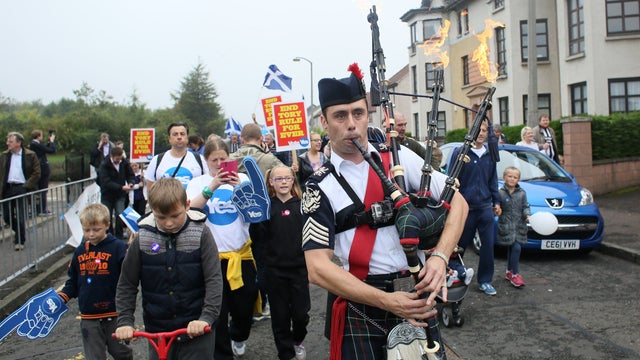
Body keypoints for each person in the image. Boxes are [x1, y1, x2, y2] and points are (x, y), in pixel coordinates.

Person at [302, 67, 468, 359]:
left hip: (417, 292)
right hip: (363, 301)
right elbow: (317, 268)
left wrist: (441, 258)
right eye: (340, 116)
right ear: (324, 123)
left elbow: (459, 203)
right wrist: (387, 301)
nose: (352, 124)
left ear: (369, 115)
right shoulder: (319, 187)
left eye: (358, 113)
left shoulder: (399, 157)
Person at [115, 177, 223, 359]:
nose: (169, 223)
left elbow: (213, 279)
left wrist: (206, 318)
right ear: (152, 211)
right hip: (158, 331)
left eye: (175, 215)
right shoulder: (143, 238)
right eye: (161, 217)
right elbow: (127, 283)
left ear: (187, 205)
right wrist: (125, 321)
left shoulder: (201, 233)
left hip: (196, 328)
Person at [186, 138, 259, 359]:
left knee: (243, 308)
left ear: (230, 158)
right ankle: (222, 353)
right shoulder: (198, 183)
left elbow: (256, 210)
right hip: (211, 258)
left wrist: (238, 186)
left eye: (223, 159)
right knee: (217, 311)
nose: (219, 163)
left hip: (242, 255)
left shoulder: (244, 178)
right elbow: (190, 211)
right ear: (206, 161)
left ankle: (239, 335)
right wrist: (214, 185)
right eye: (214, 160)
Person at [57, 203, 133, 360]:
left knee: (122, 353)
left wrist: (133, 250)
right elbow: (74, 281)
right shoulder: (79, 252)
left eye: (96, 230)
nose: (91, 234)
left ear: (107, 225)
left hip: (114, 314)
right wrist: (63, 296)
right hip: (89, 317)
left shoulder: (118, 248)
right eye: (86, 230)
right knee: (94, 357)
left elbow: (130, 275)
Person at [253, 165, 310, 360]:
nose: (284, 182)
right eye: (279, 179)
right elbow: (258, 239)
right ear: (271, 182)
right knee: (280, 317)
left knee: (301, 315)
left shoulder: (302, 205)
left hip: (300, 270)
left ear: (293, 180)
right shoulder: (267, 207)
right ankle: (285, 354)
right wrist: (256, 219)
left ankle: (297, 340)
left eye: (287, 178)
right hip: (274, 272)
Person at [229, 122, 284, 317]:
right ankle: (263, 302)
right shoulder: (269, 159)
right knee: (261, 261)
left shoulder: (229, 159)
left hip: (234, 218)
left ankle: (244, 306)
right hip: (261, 216)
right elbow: (284, 178)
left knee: (241, 262)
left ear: (241, 140)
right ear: (261, 140)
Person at [448, 120, 502, 296]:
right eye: (478, 130)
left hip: (485, 206)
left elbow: (492, 180)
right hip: (466, 208)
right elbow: (451, 179)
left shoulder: (490, 154)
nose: (481, 133)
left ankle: (485, 281)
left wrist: (497, 202)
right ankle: (455, 274)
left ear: (488, 133)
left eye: (484, 130)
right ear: (472, 131)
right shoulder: (460, 152)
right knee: (460, 244)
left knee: (488, 246)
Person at [0, 132, 40, 251]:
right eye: (7, 141)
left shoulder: (30, 155)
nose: (8, 143)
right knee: (7, 216)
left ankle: (20, 240)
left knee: (21, 215)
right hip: (7, 188)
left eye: (10, 141)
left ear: (19, 142)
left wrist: (26, 186)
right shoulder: (4, 155)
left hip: (22, 187)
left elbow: (37, 173)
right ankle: (20, 232)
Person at [145, 122, 208, 189]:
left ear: (187, 137)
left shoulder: (200, 159)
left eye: (182, 134)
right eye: (175, 134)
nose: (179, 137)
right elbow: (150, 189)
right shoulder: (157, 160)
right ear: (169, 138)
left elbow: (208, 183)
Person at [496, 166, 530, 288]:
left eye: (515, 177)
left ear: (518, 179)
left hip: (519, 225)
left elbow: (526, 206)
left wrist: (527, 215)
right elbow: (496, 205)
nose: (512, 179)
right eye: (510, 176)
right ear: (504, 177)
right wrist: (497, 209)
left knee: (516, 247)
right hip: (506, 225)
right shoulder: (500, 192)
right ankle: (511, 273)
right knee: (512, 247)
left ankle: (513, 273)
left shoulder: (522, 193)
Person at [98, 146, 135, 240]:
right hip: (107, 195)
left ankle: (119, 235)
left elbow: (130, 174)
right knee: (107, 216)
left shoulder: (124, 163)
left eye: (120, 158)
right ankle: (108, 235)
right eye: (117, 159)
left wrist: (131, 182)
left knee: (120, 214)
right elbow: (105, 181)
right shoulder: (104, 165)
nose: (119, 161)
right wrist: (121, 187)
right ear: (111, 156)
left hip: (120, 195)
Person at [29, 129, 57, 216]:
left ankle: (39, 208)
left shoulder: (35, 144)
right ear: (38, 136)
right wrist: (52, 141)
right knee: (43, 189)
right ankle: (42, 209)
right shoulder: (35, 145)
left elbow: (44, 149)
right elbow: (51, 150)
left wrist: (49, 143)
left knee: (40, 190)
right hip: (42, 168)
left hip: (40, 168)